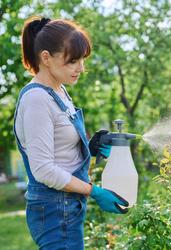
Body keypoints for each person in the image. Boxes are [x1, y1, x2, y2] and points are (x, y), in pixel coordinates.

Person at [13, 16, 129, 250]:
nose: (81, 68)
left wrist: (90, 146)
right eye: (73, 61)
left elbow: (59, 145)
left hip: (66, 205)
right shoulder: (37, 99)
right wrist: (94, 191)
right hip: (54, 209)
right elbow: (44, 170)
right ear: (46, 58)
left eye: (82, 60)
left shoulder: (59, 90)